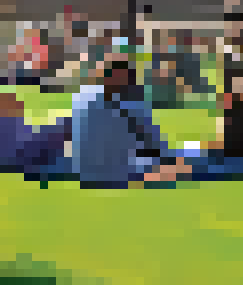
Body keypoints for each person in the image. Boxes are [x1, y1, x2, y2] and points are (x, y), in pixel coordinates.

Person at [66, 57, 178, 188]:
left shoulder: (86, 100)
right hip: (120, 173)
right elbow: (154, 145)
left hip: (85, 174)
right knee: (182, 162)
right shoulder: (129, 106)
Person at [168, 62, 243, 179]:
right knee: (186, 151)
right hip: (233, 155)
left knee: (189, 156)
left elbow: (235, 140)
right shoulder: (233, 106)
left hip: (242, 159)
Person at [0, 92, 74, 179]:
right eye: (17, 104)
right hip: (34, 164)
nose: (21, 106)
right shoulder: (6, 128)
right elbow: (31, 145)